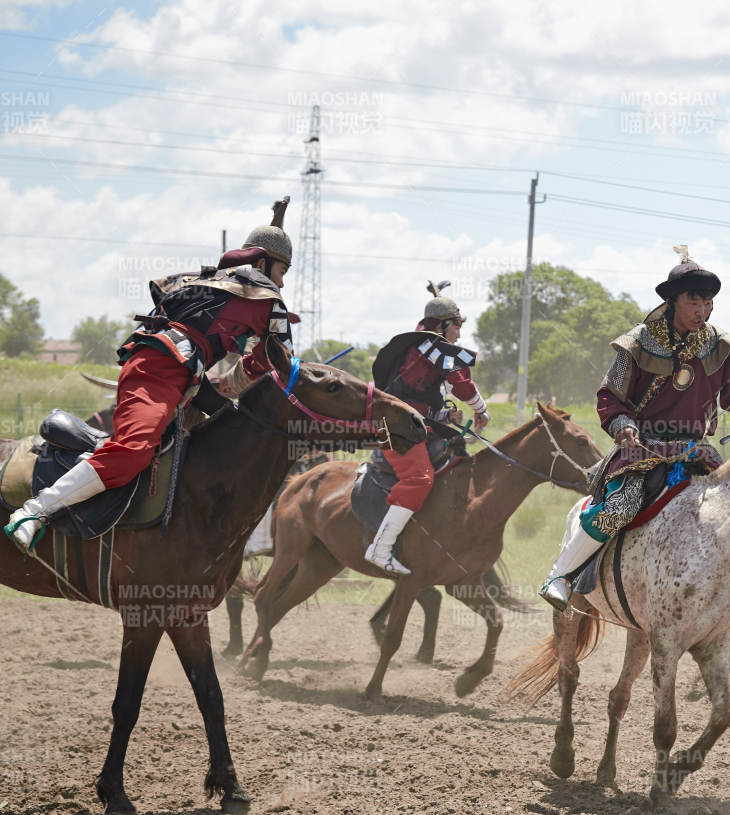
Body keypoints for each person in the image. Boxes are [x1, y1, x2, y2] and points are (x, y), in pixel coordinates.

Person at [7, 199, 296, 552]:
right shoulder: (269, 299)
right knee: (132, 452)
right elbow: (280, 358)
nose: (283, 281)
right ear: (263, 263)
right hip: (160, 371)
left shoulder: (201, 279)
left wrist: (221, 386)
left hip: (179, 375)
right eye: (283, 270)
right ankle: (35, 511)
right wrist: (239, 379)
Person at [538, 247, 730, 611]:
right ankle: (561, 575)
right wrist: (623, 425)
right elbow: (610, 396)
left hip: (697, 451)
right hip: (642, 449)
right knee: (621, 504)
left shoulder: (720, 347)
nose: (702, 310)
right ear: (673, 300)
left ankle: (728, 597)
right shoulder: (638, 343)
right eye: (694, 301)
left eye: (707, 303)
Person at [363, 281, 490, 574]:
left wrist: (445, 419)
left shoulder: (427, 348)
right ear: (443, 325)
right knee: (420, 479)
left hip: (409, 423)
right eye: (456, 326)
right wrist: (481, 409)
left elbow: (421, 401)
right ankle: (380, 549)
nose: (460, 333)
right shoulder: (429, 346)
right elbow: (461, 382)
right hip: (396, 427)